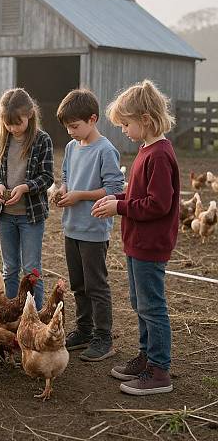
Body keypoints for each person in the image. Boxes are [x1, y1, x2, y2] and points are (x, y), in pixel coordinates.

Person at [92, 79, 179, 395]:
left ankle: (159, 370)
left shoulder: (158, 155)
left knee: (152, 305)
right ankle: (146, 357)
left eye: (126, 124)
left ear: (145, 119)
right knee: (139, 302)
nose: (123, 130)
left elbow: (159, 204)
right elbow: (143, 193)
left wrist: (121, 207)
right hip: (137, 240)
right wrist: (120, 199)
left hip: (150, 243)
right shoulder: (146, 150)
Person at [55, 89, 124, 362]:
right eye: (68, 127)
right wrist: (61, 191)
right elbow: (66, 177)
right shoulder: (72, 148)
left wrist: (80, 195)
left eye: (75, 126)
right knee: (78, 284)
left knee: (96, 285)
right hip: (71, 226)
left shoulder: (106, 150)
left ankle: (103, 337)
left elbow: (113, 189)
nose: (70, 132)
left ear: (93, 119)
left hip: (94, 229)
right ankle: (83, 330)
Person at [0, 88, 53, 310]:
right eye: (8, 124)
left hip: (30, 215)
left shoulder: (42, 141)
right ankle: (14, 315)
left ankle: (37, 315)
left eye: (18, 122)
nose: (13, 128)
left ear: (30, 115)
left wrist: (25, 187)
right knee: (10, 268)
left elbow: (47, 177)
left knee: (32, 267)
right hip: (5, 215)